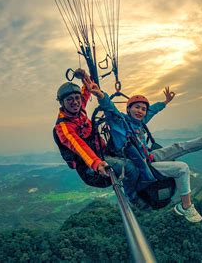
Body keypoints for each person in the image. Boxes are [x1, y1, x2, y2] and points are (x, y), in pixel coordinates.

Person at [83, 76, 202, 223]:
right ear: (128, 109)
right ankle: (186, 207)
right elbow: (110, 108)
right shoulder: (119, 123)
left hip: (147, 157)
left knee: (180, 147)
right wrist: (100, 94)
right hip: (140, 167)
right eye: (136, 107)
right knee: (182, 168)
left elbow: (152, 110)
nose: (140, 111)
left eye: (143, 109)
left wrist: (165, 102)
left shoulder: (139, 122)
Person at [53, 69, 140, 202]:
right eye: (69, 100)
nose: (75, 102)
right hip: (90, 168)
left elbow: (88, 89)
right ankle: (134, 199)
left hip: (101, 153)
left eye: (77, 98)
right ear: (62, 103)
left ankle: (139, 187)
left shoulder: (79, 110)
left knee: (131, 150)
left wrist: (84, 76)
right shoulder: (63, 127)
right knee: (129, 167)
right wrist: (97, 164)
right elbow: (78, 145)